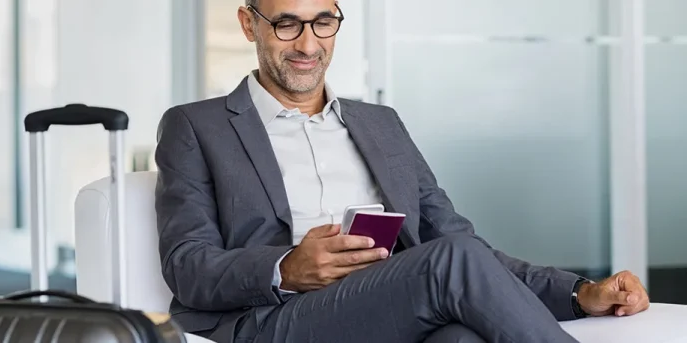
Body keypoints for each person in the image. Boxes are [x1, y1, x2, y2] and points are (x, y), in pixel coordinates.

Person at [153, 0, 651, 342]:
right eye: (287, 24)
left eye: (324, 22)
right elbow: (187, 265)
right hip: (277, 321)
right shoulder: (197, 126)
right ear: (249, 24)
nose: (308, 45)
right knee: (447, 261)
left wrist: (578, 292)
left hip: (389, 304)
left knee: (461, 335)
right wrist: (286, 268)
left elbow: (461, 243)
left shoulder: (380, 124)